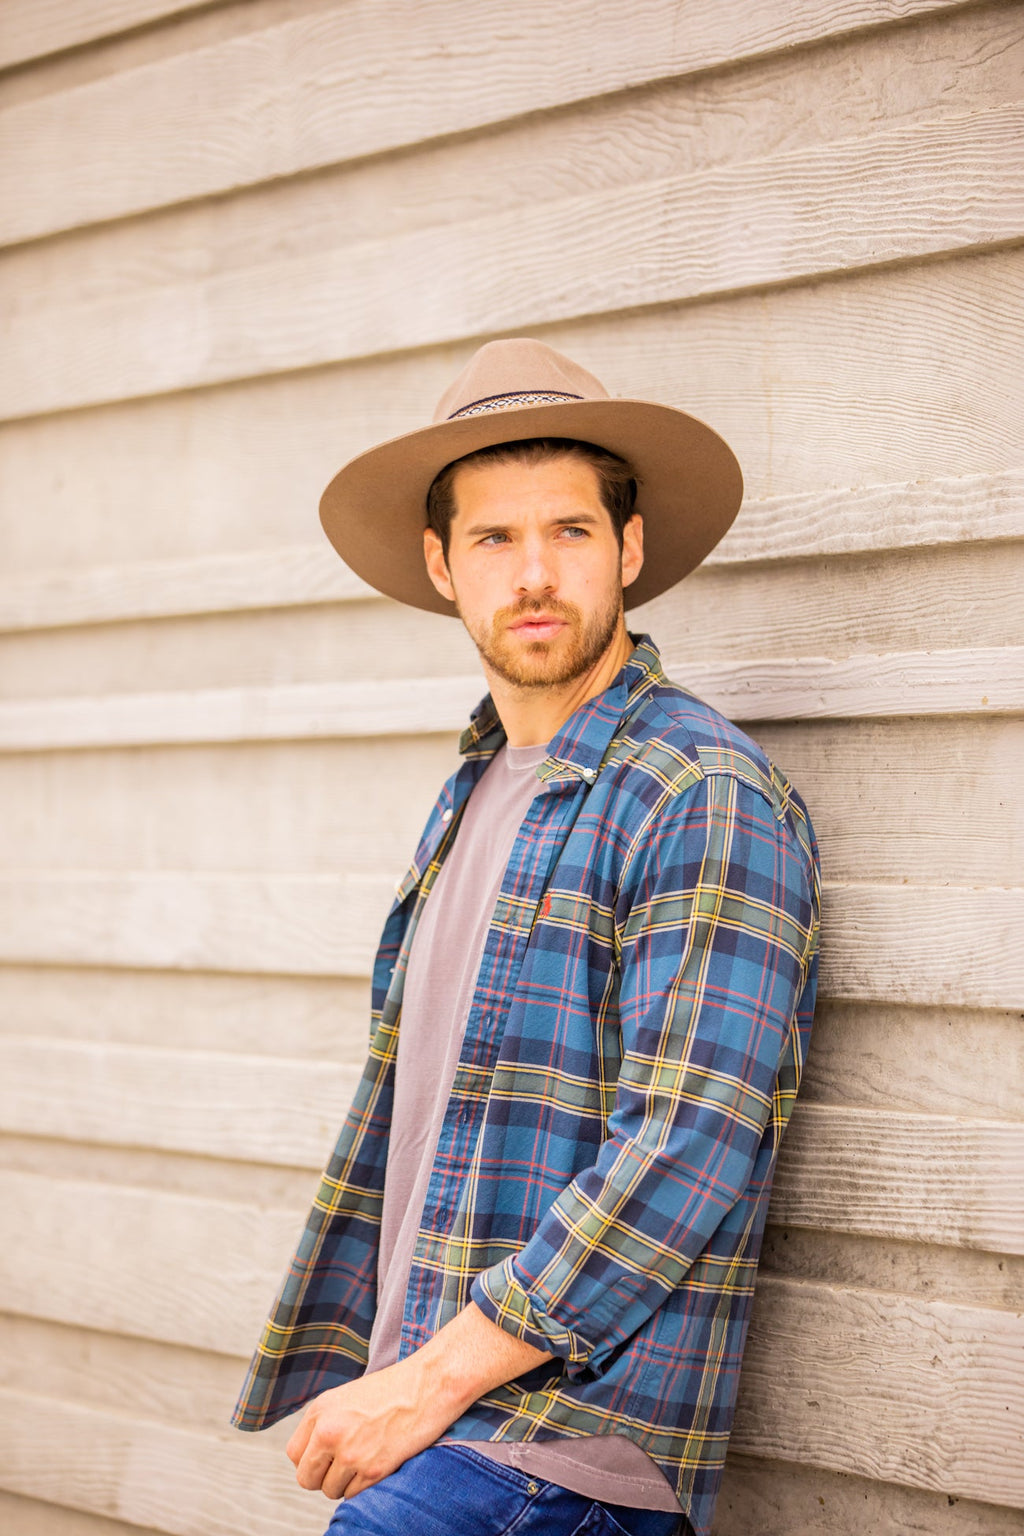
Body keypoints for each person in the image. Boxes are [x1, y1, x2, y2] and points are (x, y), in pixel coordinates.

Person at [232, 339, 821, 1536]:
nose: (536, 573)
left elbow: (689, 1143)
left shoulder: (696, 789)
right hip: (444, 1421)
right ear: (441, 564)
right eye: (495, 538)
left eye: (570, 530)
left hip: (567, 1451)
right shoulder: (476, 787)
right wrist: (400, 1379)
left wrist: (425, 1387)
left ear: (630, 549)